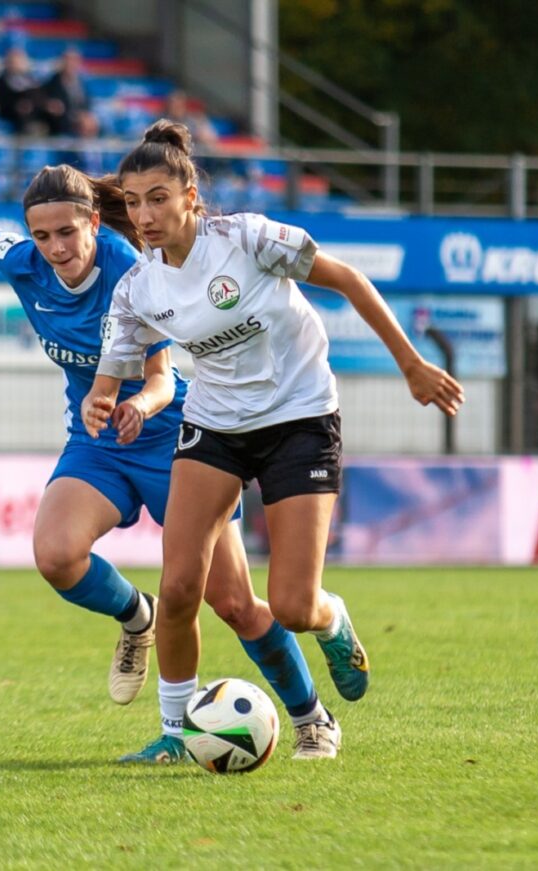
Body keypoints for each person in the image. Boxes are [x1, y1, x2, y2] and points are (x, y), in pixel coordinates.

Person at [0, 164, 345, 760]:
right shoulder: (24, 263)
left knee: (235, 603)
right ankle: (140, 622)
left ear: (92, 223)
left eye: (67, 232)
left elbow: (164, 378)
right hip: (97, 441)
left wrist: (136, 401)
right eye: (43, 236)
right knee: (56, 555)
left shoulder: (133, 271)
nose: (56, 249)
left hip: (175, 439)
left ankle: (310, 717)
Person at [84, 121, 464, 762]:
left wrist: (411, 364)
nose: (143, 214)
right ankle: (177, 736)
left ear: (190, 198)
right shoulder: (137, 288)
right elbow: (114, 369)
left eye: (157, 198)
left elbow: (347, 279)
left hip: (300, 418)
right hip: (215, 427)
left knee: (290, 605)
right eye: (133, 201)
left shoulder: (247, 238)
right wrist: (103, 399)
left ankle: (331, 619)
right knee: (179, 588)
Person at [40, 47, 89, 136]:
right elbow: (48, 105)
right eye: (67, 60)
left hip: (81, 121)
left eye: (74, 61)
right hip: (61, 123)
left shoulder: (82, 83)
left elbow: (86, 104)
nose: (70, 64)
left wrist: (84, 115)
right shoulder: (52, 83)